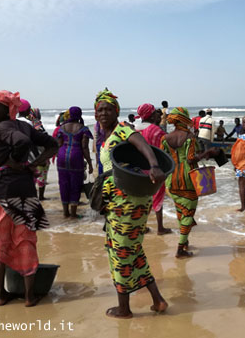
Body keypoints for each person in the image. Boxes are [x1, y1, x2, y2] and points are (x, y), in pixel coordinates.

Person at [95, 88, 167, 319]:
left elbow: (142, 144)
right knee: (132, 251)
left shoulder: (123, 129)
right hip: (115, 201)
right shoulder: (104, 136)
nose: (103, 113)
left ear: (116, 111)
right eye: (100, 110)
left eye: (108, 109)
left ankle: (124, 308)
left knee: (121, 253)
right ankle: (158, 300)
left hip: (129, 199)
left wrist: (154, 165)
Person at [0, 90, 58, 307]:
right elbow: (52, 144)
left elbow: (22, 142)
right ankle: (29, 296)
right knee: (26, 241)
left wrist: (15, 160)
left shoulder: (1, 127)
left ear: (8, 110)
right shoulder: (25, 125)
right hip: (25, 191)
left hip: (0, 192)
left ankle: (1, 294)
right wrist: (33, 164)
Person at [161, 107, 216, 258]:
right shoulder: (189, 137)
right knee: (188, 213)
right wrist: (207, 153)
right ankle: (180, 249)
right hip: (188, 178)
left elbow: (162, 158)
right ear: (184, 119)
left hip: (172, 178)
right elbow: (191, 158)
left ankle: (184, 242)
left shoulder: (165, 138)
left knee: (180, 210)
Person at [136, 103, 171, 235]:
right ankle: (160, 228)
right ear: (151, 115)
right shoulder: (155, 130)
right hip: (153, 167)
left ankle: (141, 226)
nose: (158, 115)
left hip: (137, 169)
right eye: (155, 113)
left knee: (141, 199)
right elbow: (167, 145)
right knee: (157, 196)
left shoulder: (133, 128)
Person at [56, 106, 93, 218]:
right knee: (75, 185)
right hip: (76, 156)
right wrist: (90, 163)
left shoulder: (62, 128)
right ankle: (73, 214)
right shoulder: (83, 129)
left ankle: (65, 212)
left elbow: (59, 144)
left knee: (63, 184)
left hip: (62, 156)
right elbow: (84, 147)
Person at [18, 99, 50, 201]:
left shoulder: (16, 122)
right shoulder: (35, 124)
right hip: (36, 154)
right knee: (41, 175)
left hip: (23, 156)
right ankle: (40, 197)